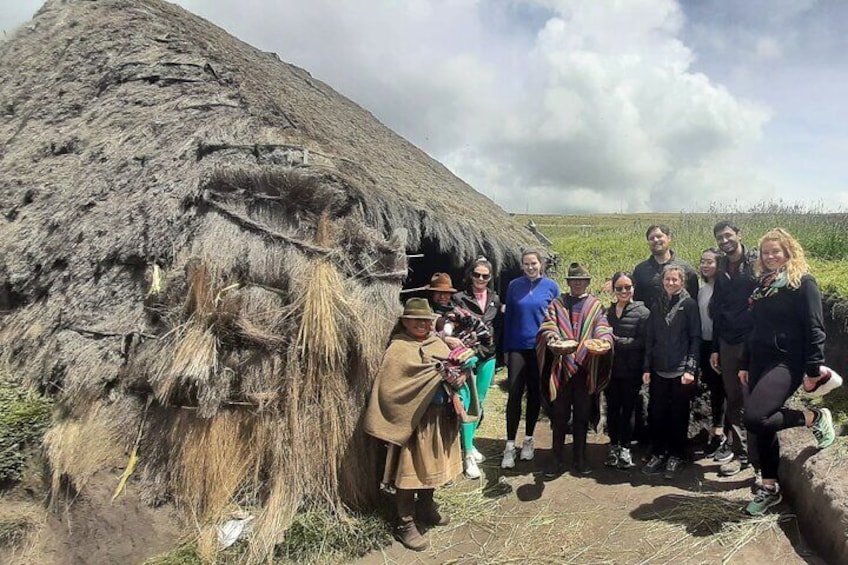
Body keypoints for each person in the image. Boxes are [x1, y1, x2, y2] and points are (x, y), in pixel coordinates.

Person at [740, 228, 835, 516]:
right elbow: (753, 328)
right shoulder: (761, 287)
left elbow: (815, 327)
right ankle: (769, 487)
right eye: (765, 252)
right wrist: (745, 363)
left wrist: (813, 367)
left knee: (756, 417)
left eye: (775, 251)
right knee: (762, 425)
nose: (769, 257)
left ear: (788, 252)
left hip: (787, 360)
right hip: (759, 360)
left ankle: (814, 417)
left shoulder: (803, 283)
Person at [363, 298, 464, 551]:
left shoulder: (436, 343)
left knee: (431, 465)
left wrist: (457, 376)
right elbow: (389, 388)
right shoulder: (399, 348)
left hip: (438, 418)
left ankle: (427, 507)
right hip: (412, 421)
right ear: (405, 321)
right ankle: (405, 523)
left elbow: (453, 374)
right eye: (416, 320)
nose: (422, 324)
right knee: (409, 472)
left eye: (426, 320)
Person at [537, 263, 613, 476]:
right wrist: (551, 336)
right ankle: (556, 457)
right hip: (561, 368)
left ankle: (580, 457)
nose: (577, 283)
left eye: (581, 280)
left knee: (581, 415)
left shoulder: (595, 305)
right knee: (559, 415)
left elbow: (602, 326)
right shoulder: (558, 303)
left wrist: (605, 339)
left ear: (587, 283)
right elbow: (548, 324)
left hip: (584, 368)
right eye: (573, 280)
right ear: (569, 283)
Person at [632, 224, 699, 445]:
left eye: (659, 236)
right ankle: (649, 441)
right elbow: (637, 301)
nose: (656, 240)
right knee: (655, 400)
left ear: (669, 238)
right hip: (652, 338)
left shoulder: (686, 269)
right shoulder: (641, 270)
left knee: (678, 404)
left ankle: (678, 448)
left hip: (680, 346)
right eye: (651, 237)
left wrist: (691, 364)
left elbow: (692, 312)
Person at [708, 221, 760, 477]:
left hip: (754, 340)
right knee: (734, 397)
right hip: (728, 342)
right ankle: (742, 455)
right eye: (720, 237)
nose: (724, 240)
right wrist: (717, 346)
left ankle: (762, 456)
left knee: (756, 396)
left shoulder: (756, 264)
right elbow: (717, 309)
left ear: (739, 235)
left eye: (728, 235)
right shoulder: (721, 270)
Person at [501, 250, 560, 469]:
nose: (530, 267)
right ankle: (509, 445)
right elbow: (509, 319)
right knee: (515, 393)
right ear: (522, 265)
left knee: (535, 393)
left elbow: (557, 318)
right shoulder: (514, 285)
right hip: (517, 346)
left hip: (541, 348)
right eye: (526, 263)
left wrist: (556, 343)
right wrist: (505, 349)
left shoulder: (551, 287)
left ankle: (528, 439)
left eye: (533, 263)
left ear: (541, 264)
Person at [642, 265, 701, 480]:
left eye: (675, 279)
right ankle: (659, 452)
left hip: (680, 370)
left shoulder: (689, 305)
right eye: (668, 279)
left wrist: (690, 368)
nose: (671, 283)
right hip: (659, 369)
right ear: (663, 281)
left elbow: (695, 338)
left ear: (682, 282)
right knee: (656, 414)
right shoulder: (656, 305)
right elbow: (650, 338)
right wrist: (647, 367)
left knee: (678, 415)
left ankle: (677, 454)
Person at [452, 258, 502, 479]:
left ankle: (469, 445)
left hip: (488, 355)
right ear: (470, 275)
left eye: (485, 276)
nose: (481, 279)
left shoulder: (494, 299)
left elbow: (496, 324)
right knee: (466, 403)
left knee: (479, 401)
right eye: (477, 275)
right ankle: (467, 456)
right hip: (468, 356)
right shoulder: (459, 299)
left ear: (490, 278)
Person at [604, 271, 650, 470]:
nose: (624, 291)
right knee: (612, 409)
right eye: (619, 288)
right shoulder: (607, 312)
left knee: (628, 410)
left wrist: (617, 342)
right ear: (613, 290)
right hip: (611, 370)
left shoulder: (643, 313)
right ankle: (613, 445)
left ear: (633, 288)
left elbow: (643, 342)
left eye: (627, 287)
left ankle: (625, 447)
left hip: (632, 370)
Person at [697, 248, 727, 458]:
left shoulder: (725, 289)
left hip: (722, 345)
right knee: (713, 388)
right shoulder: (702, 289)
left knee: (724, 388)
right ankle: (717, 432)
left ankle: (723, 433)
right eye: (702, 262)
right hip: (704, 344)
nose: (705, 265)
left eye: (710, 262)